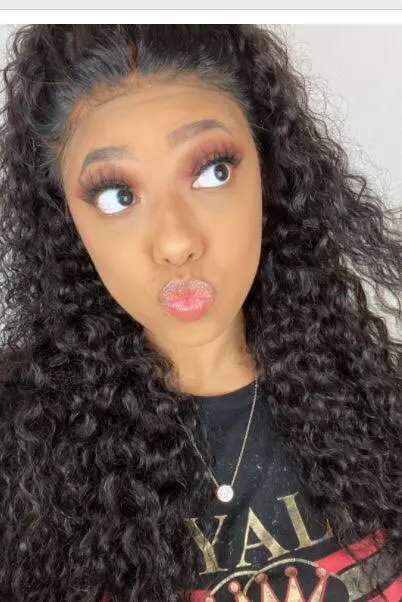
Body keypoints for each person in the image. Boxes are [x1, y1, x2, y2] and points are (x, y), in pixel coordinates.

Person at [0, 24, 400, 602]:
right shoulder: (20, 459)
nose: (176, 242)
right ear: (66, 223)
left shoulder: (381, 410)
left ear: (269, 174)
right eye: (117, 195)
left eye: (212, 171)